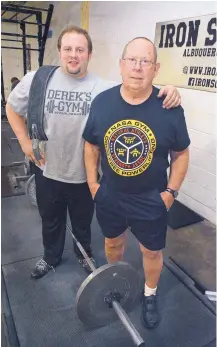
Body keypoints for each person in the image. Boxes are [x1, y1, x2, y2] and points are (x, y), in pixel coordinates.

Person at [6, 26, 181, 280]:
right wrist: (23, 141)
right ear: (59, 52)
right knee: (50, 220)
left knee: (83, 223)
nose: (73, 55)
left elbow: (138, 85)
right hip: (46, 168)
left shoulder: (102, 87)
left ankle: (83, 254)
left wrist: (171, 90)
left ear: (89, 54)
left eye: (80, 49)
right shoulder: (37, 80)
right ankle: (50, 256)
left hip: (83, 175)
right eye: (68, 49)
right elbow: (12, 107)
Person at [83, 37, 190, 329]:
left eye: (145, 61)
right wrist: (93, 184)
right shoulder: (102, 103)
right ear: (121, 64)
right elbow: (91, 145)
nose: (137, 67)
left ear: (155, 68)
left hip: (151, 197)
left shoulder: (169, 107)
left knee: (151, 251)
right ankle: (114, 281)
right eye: (131, 59)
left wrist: (170, 192)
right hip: (111, 195)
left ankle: (150, 294)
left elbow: (181, 154)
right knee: (112, 241)